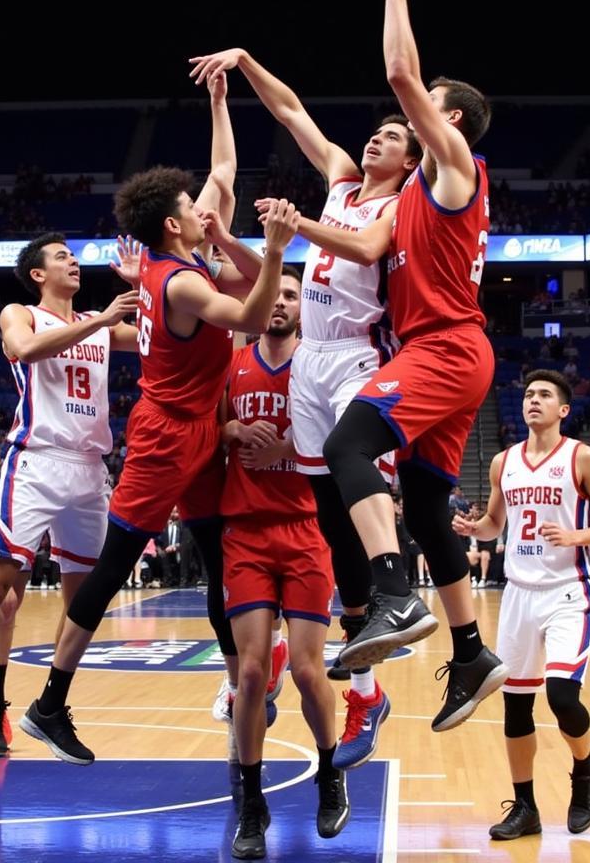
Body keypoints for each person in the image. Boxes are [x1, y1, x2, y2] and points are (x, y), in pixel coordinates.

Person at [252, 0, 502, 732]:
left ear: (449, 123)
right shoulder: (385, 185)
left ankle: (392, 593)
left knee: (352, 449)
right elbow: (299, 118)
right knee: (430, 506)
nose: (409, 111)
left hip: (441, 347)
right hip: (439, 350)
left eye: (425, 112)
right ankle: (469, 653)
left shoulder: (446, 175)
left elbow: (400, 71)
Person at [189, 46, 422, 768]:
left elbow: (364, 247)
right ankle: (367, 683)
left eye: (394, 135)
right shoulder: (344, 178)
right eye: (376, 131)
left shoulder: (398, 201)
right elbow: (292, 111)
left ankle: (396, 587)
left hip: (356, 352)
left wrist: (289, 232)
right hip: (311, 360)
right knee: (324, 515)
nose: (378, 136)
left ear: (411, 162)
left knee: (354, 482)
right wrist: (248, 62)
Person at [17, 168, 299, 765]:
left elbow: (224, 182)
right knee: (113, 565)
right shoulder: (179, 282)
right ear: (173, 224)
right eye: (192, 208)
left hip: (199, 428)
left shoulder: (166, 267)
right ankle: (49, 702)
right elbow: (252, 315)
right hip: (166, 434)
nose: (205, 209)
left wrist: (226, 235)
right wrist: (272, 249)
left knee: (220, 553)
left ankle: (236, 689)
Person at [0, 232, 141, 763]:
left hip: (88, 469)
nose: (73, 261)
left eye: (74, 256)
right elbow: (26, 349)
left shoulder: (103, 328)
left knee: (84, 601)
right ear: (39, 274)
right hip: (35, 461)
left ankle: (52, 706)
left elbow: (163, 335)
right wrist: (102, 320)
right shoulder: (22, 313)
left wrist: (141, 285)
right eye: (62, 257)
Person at [453, 370, 590, 839]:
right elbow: (494, 522)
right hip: (518, 596)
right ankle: (525, 808)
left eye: (544, 395)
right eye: (528, 394)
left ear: (563, 410)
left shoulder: (582, 458)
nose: (533, 400)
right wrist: (476, 530)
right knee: (516, 708)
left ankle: (585, 769)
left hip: (568, 591)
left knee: (562, 696)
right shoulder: (503, 462)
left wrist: (576, 535)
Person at [221, 269, 348, 857]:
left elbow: (345, 439)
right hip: (245, 529)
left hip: (304, 529)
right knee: (249, 674)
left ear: (305, 307)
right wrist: (233, 428)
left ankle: (330, 770)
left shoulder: (319, 363)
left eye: (291, 296)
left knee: (304, 669)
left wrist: (289, 449)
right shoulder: (234, 360)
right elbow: (213, 423)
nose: (279, 303)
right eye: (273, 294)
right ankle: (251, 798)